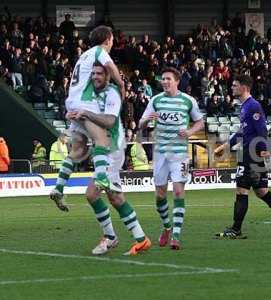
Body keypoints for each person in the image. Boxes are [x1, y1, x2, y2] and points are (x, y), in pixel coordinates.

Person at [77, 63, 150, 256]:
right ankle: (141, 239)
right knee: (116, 198)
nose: (95, 77)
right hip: (102, 150)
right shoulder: (91, 92)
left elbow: (109, 121)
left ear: (108, 76)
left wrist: (86, 114)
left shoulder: (112, 93)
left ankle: (110, 237)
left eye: (99, 73)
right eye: (93, 73)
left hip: (113, 150)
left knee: (92, 193)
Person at [213, 74, 271, 239]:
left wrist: (266, 154)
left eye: (234, 85)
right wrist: (226, 146)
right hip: (252, 153)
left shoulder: (253, 106)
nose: (232, 88)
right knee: (261, 191)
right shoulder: (245, 106)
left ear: (244, 87)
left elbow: (262, 131)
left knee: (241, 190)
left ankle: (236, 229)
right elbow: (242, 132)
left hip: (253, 154)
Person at [50, 25, 125, 205]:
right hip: (84, 102)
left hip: (72, 101)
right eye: (112, 39)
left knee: (78, 150)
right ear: (108, 39)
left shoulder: (84, 55)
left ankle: (58, 188)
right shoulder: (99, 51)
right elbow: (111, 67)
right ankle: (101, 178)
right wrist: (121, 84)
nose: (112, 42)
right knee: (101, 140)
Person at [139, 67, 204, 250]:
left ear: (176, 81)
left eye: (168, 79)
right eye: (163, 79)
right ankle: (167, 226)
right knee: (160, 194)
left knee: (177, 191)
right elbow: (140, 124)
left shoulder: (188, 101)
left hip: (179, 154)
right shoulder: (156, 100)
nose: (165, 82)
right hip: (160, 153)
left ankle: (176, 235)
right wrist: (147, 119)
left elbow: (200, 122)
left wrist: (190, 131)